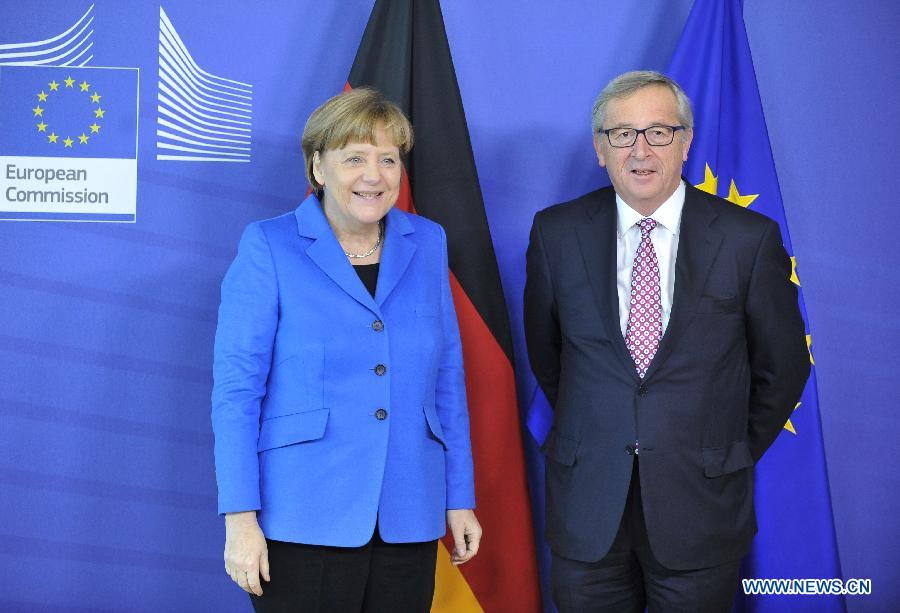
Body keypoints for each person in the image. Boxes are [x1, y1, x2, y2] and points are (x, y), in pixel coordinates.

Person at [524, 71, 810, 612]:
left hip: (700, 504)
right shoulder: (555, 234)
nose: (640, 150)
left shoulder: (748, 240)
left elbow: (784, 365)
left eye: (658, 132)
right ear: (599, 149)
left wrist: (727, 447)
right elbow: (548, 355)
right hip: (589, 508)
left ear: (686, 142)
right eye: (622, 134)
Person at [212, 87, 481, 612]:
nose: (373, 175)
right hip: (303, 512)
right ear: (318, 167)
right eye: (354, 158)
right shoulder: (269, 245)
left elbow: (446, 378)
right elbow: (237, 394)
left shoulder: (427, 242)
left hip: (409, 509)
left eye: (388, 159)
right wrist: (240, 518)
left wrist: (459, 497)